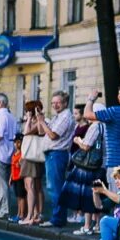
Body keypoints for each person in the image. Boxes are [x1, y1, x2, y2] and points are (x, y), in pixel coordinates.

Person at [61, 103, 105, 236]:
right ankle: (98, 224)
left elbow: (86, 146)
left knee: (88, 196)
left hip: (90, 167)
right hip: (101, 165)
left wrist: (77, 140)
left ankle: (87, 226)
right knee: (99, 195)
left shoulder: (95, 126)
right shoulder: (105, 126)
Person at [38, 90, 75, 227]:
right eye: (53, 103)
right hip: (52, 154)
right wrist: (40, 121)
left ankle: (58, 218)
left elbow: (53, 135)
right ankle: (57, 216)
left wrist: (42, 122)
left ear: (65, 102)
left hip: (57, 154)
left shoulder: (66, 116)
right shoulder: (57, 116)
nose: (55, 105)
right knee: (52, 187)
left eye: (58, 102)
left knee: (55, 188)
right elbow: (43, 133)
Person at [18, 100, 45, 225]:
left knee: (31, 186)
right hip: (30, 155)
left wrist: (29, 119)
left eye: (28, 110)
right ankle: (35, 213)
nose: (27, 112)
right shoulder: (39, 121)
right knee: (34, 186)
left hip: (32, 156)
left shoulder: (40, 121)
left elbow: (26, 132)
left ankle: (31, 214)